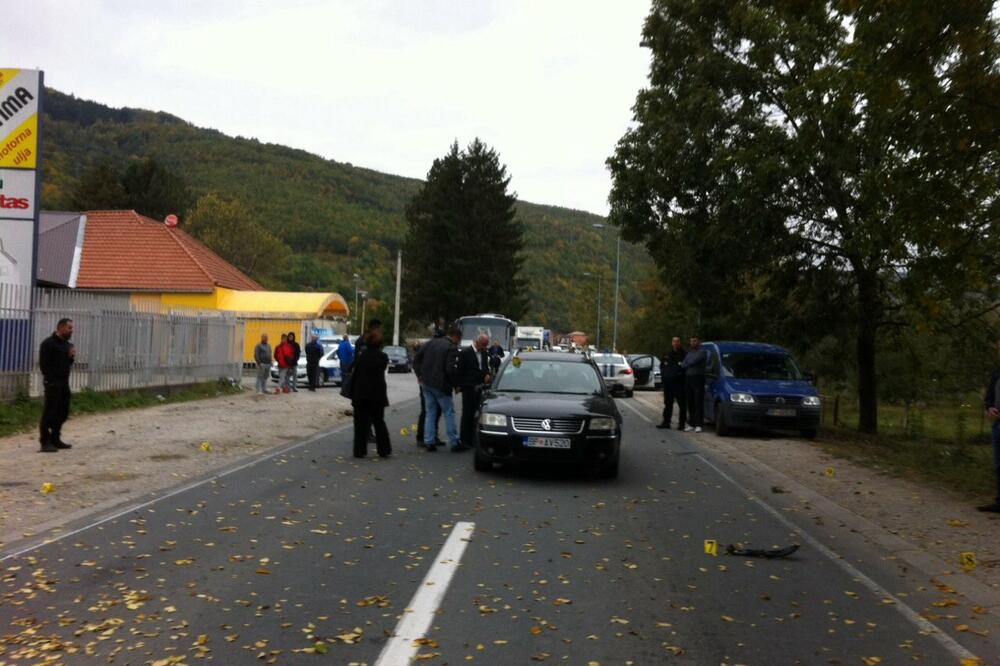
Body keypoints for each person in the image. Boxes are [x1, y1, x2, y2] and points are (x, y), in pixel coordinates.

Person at [414, 325, 461, 451]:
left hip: (426, 383)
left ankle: (429, 441)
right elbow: (450, 369)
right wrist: (455, 385)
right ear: (456, 337)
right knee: (449, 412)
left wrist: (419, 375)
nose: (459, 342)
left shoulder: (430, 343)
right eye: (459, 340)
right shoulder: (451, 348)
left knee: (430, 412)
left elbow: (417, 359)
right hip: (441, 385)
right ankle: (455, 441)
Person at [350, 328, 392, 458]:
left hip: (361, 393)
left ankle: (359, 450)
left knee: (360, 424)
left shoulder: (362, 357)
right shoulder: (383, 357)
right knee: (379, 422)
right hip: (377, 394)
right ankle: (384, 449)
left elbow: (353, 370)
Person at [39, 318, 76, 453]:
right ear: (60, 328)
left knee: (63, 412)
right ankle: (45, 441)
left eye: (72, 328)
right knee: (49, 412)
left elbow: (68, 364)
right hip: (53, 383)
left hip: (64, 382)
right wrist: (50, 380)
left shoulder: (67, 345)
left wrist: (71, 357)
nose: (71, 330)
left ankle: (56, 438)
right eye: (69, 328)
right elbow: (44, 364)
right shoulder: (48, 344)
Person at [457, 333, 491, 451]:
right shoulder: (465, 353)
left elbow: (485, 367)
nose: (484, 348)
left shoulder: (484, 353)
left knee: (477, 414)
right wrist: (459, 386)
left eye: (486, 345)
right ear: (477, 342)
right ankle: (464, 439)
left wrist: (487, 374)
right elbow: (460, 371)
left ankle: (472, 439)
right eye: (483, 345)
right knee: (467, 414)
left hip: (480, 387)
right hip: (469, 387)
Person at [980, 338, 1000, 513]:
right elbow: (988, 397)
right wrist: (990, 408)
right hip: (997, 425)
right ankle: (999, 501)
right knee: (999, 465)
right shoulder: (996, 374)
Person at [415, 332, 444, 448]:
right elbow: (416, 362)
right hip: (428, 382)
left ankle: (431, 435)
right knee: (428, 410)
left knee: (434, 410)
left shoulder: (429, 347)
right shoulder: (428, 348)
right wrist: (420, 375)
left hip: (432, 382)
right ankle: (422, 436)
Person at [657, 336, 686, 430]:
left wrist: (680, 375)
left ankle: (681, 424)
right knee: (668, 403)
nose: (675, 343)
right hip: (668, 383)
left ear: (680, 342)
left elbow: (685, 367)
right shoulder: (667, 354)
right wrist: (664, 376)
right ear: (672, 342)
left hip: (679, 383)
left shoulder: (684, 354)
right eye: (674, 341)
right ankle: (666, 422)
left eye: (677, 341)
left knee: (682, 404)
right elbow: (662, 366)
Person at [681, 335, 708, 433]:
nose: (693, 343)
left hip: (698, 378)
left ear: (699, 342)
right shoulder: (689, 353)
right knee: (690, 402)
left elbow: (693, 361)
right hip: (688, 378)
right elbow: (684, 364)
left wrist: (687, 363)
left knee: (698, 402)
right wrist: (687, 363)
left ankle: (699, 424)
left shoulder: (702, 352)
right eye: (691, 341)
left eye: (695, 341)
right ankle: (691, 423)